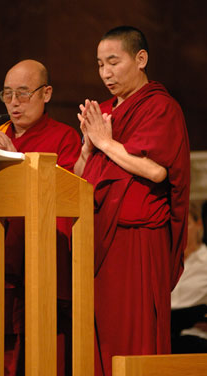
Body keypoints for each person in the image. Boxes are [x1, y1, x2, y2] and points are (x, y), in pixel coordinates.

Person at [74, 26, 190, 376]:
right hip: (97, 242)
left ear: (140, 60)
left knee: (131, 341)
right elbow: (81, 175)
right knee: (95, 343)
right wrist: (87, 147)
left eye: (113, 62)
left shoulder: (160, 107)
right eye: (99, 64)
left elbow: (155, 172)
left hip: (137, 244)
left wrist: (106, 143)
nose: (105, 73)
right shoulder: (104, 113)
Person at [0, 59, 81, 376]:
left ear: (46, 93)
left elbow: (63, 196)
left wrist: (17, 160)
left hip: (41, 267)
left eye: (23, 93)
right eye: (7, 94)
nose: (13, 103)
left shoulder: (64, 138)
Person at [171, 201, 207, 353]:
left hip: (195, 336)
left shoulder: (205, 261)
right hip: (164, 334)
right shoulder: (164, 262)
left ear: (199, 224)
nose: (180, 230)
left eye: (186, 224)